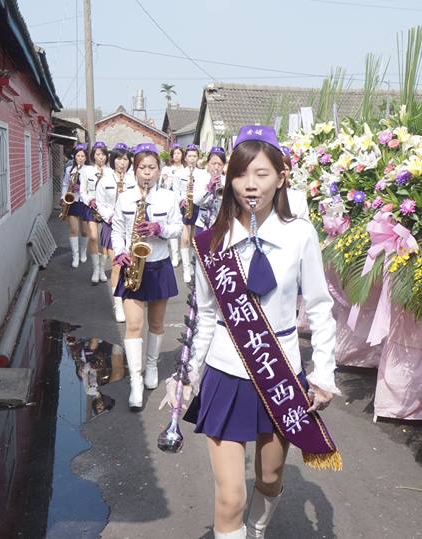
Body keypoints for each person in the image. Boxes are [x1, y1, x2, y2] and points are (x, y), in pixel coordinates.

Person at [164, 126, 340, 538]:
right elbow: (204, 316)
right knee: (230, 497)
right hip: (225, 372)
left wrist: (323, 373)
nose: (250, 184)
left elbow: (320, 307)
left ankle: (258, 530)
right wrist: (186, 378)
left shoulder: (300, 235)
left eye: (261, 174)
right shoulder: (212, 241)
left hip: (279, 372)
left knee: (270, 478)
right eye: (241, 174)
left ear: (281, 176)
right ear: (229, 179)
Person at [111, 142, 182, 410]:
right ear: (134, 169)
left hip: (158, 264)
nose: (147, 173)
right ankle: (136, 382)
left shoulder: (168, 198)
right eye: (142, 167)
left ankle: (151, 366)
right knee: (132, 326)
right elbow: (117, 229)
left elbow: (177, 228)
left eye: (152, 167)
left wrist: (159, 228)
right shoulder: (125, 198)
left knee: (156, 322)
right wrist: (119, 251)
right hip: (132, 266)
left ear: (159, 170)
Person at [96, 142, 136, 322]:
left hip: (132, 227)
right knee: (118, 265)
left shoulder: (133, 180)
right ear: (113, 160)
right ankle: (118, 305)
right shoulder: (104, 180)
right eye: (119, 158)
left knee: (132, 265)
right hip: (112, 226)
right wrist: (109, 216)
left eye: (125, 159)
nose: (122, 162)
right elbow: (100, 204)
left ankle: (130, 300)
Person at [177, 144, 212, 283]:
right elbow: (176, 191)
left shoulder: (203, 174)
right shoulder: (180, 173)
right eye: (189, 156)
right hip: (185, 205)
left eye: (194, 156)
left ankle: (191, 263)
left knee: (193, 238)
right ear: (185, 158)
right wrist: (181, 200)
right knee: (185, 237)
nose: (192, 159)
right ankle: (186, 269)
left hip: (198, 205)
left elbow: (204, 190)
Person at [80, 141, 114, 284]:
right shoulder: (86, 171)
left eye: (103, 155)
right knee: (93, 237)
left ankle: (101, 269)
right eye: (98, 154)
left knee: (105, 241)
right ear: (93, 156)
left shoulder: (111, 172)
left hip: (107, 209)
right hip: (92, 207)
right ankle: (95, 269)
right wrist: (89, 200)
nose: (101, 157)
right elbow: (82, 191)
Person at [60, 144, 90, 267]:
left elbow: (94, 188)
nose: (80, 158)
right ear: (75, 156)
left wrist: (82, 188)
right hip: (72, 201)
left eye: (83, 156)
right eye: (78, 155)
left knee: (84, 231)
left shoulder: (89, 170)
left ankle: (83, 252)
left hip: (84, 202)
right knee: (73, 230)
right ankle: (75, 257)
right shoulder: (69, 169)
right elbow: (65, 184)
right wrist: (63, 197)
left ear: (86, 157)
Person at [160, 143, 186, 267]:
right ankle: (175, 255)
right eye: (174, 153)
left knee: (184, 229)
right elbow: (161, 186)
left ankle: (185, 253)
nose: (176, 155)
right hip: (169, 201)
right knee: (172, 226)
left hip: (182, 201)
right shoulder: (166, 169)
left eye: (178, 153)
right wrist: (165, 180)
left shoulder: (185, 170)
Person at [195, 146, 227, 234]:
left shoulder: (227, 180)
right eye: (213, 163)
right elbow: (196, 201)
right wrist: (209, 187)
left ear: (223, 165)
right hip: (201, 224)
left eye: (220, 164)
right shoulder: (201, 178)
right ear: (208, 163)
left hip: (220, 224)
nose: (216, 167)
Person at [281, 145, 310, 222]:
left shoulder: (298, 197)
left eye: (285, 169)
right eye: (277, 168)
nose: (281, 172)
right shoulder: (265, 196)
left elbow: (305, 227)